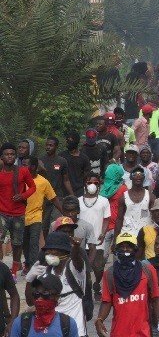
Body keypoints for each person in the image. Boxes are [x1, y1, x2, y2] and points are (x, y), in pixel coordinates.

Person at [96, 232, 159, 337]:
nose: (125, 250)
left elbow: (156, 298)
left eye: (129, 247)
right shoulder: (109, 273)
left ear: (135, 249)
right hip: (119, 332)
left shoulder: (148, 270)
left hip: (143, 332)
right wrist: (99, 320)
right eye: (122, 247)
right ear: (116, 250)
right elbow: (106, 301)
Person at [0, 142, 37, 279]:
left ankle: (14, 272)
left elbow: (33, 187)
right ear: (2, 157)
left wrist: (22, 196)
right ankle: (1, 269)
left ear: (15, 156)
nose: (9, 156)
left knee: (17, 243)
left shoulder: (23, 171)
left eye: (12, 154)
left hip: (18, 213)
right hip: (2, 213)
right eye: (6, 154)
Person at [23, 157, 63, 271]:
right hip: (21, 217)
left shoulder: (43, 182)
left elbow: (53, 198)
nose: (23, 168)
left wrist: (63, 212)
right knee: (25, 243)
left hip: (36, 216)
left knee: (34, 242)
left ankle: (33, 267)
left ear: (34, 167)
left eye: (26, 165)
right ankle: (27, 263)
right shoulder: (20, 180)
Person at [11, 273, 79, 337]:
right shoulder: (21, 323)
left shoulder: (67, 324)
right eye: (37, 293)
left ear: (57, 297)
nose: (39, 298)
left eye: (45, 293)